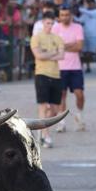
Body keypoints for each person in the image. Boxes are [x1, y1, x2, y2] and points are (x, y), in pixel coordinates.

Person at [30, 12, 66, 148]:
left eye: (52, 23)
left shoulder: (57, 38)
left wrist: (46, 54)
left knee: (56, 109)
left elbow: (62, 56)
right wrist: (53, 53)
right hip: (41, 74)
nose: (49, 26)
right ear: (43, 23)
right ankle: (45, 135)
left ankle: (41, 129)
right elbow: (38, 55)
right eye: (47, 23)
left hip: (55, 74)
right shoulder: (36, 38)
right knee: (43, 105)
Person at [54, 6, 87, 131]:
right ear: (59, 16)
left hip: (75, 67)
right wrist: (69, 45)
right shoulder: (55, 28)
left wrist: (63, 46)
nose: (64, 17)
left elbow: (79, 47)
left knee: (79, 94)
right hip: (59, 67)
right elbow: (54, 47)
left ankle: (80, 115)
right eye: (62, 15)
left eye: (67, 15)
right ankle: (61, 122)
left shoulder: (78, 27)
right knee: (61, 95)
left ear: (71, 16)